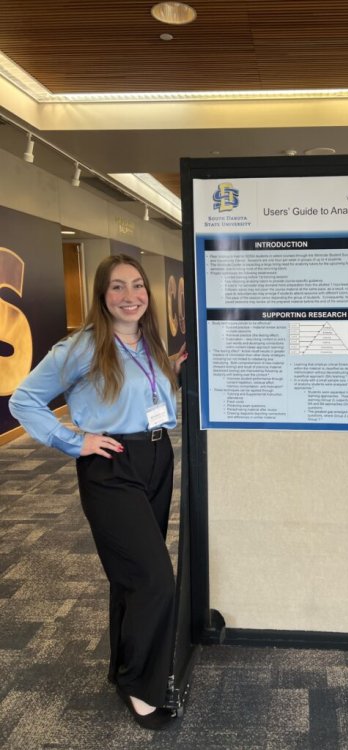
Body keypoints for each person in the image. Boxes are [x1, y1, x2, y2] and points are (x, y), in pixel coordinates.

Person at [9, 254, 188, 730]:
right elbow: (23, 399)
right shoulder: (84, 346)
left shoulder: (149, 342)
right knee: (155, 581)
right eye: (117, 287)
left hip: (156, 458)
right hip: (110, 466)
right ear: (101, 296)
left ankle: (123, 670)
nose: (130, 295)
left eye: (137, 286)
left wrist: (169, 367)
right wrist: (75, 439)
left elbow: (140, 389)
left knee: (131, 577)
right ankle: (142, 687)